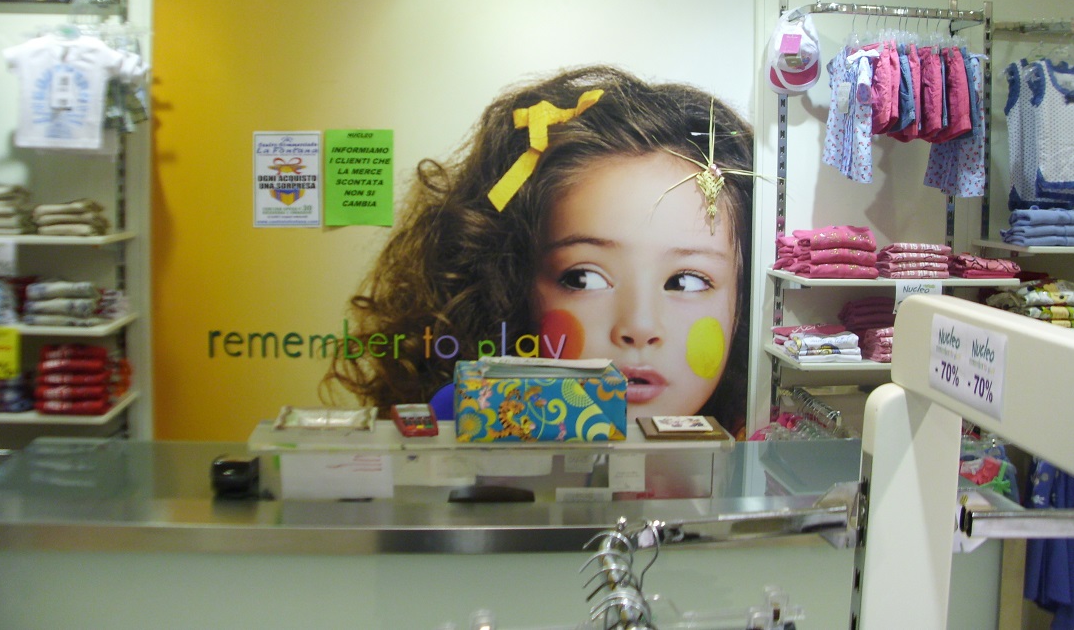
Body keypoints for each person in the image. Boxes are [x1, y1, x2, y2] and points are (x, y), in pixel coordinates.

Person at [322, 64, 754, 435]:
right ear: (512, 286)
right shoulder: (456, 430)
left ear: (744, 304)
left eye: (686, 281)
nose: (639, 327)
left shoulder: (763, 457)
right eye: (583, 278)